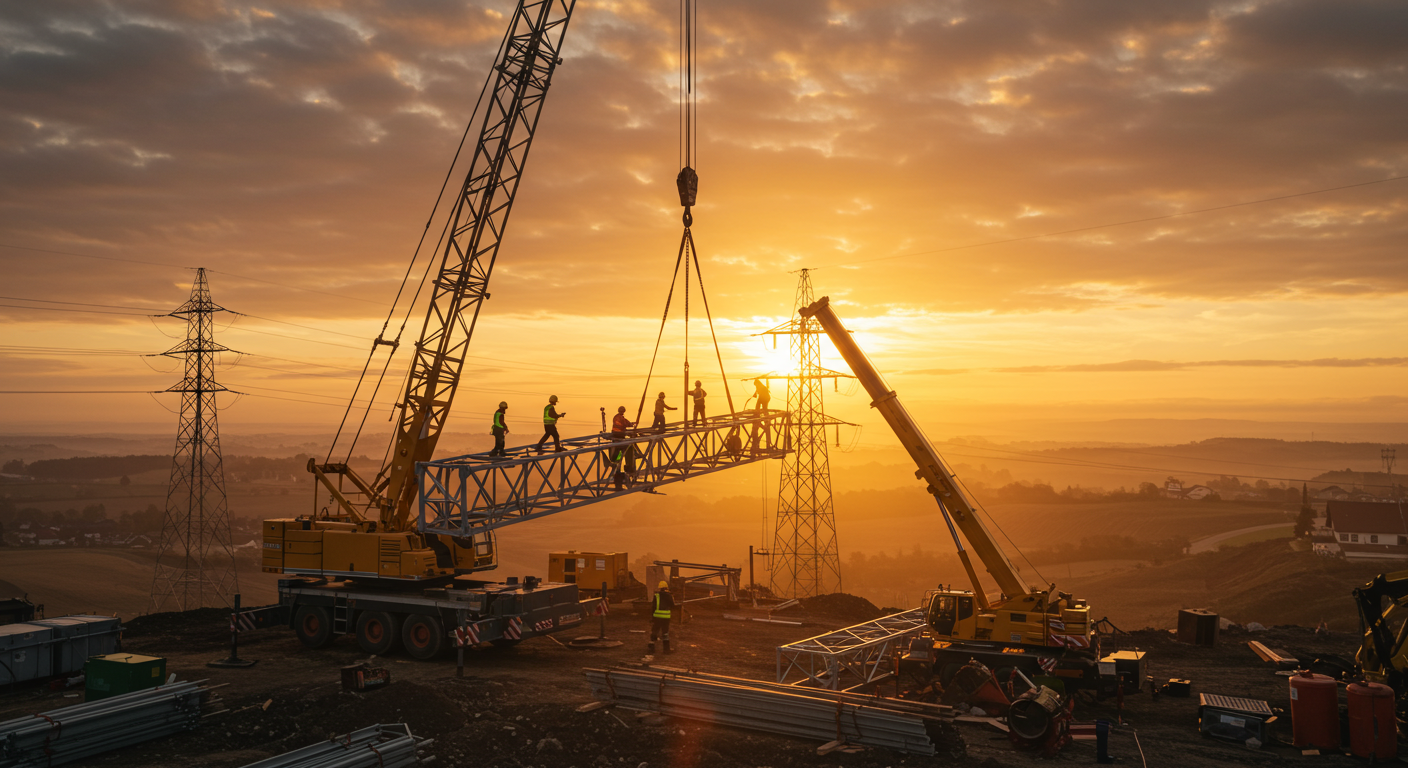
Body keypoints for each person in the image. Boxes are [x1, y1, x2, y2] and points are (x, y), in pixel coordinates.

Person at [611, 406, 635, 490]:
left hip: (616, 436)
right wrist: (631, 424)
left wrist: (631, 423)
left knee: (619, 451)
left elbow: (625, 422)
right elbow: (624, 423)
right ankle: (628, 466)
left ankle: (617, 462)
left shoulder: (617, 417)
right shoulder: (619, 418)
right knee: (628, 448)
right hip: (619, 436)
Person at [647, 580, 674, 655]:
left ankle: (651, 648)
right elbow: (672, 605)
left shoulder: (656, 596)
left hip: (657, 617)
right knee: (665, 632)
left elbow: (653, 607)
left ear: (659, 588)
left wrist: (652, 617)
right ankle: (666, 650)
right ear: (666, 588)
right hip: (666, 617)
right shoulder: (669, 595)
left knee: (655, 631)